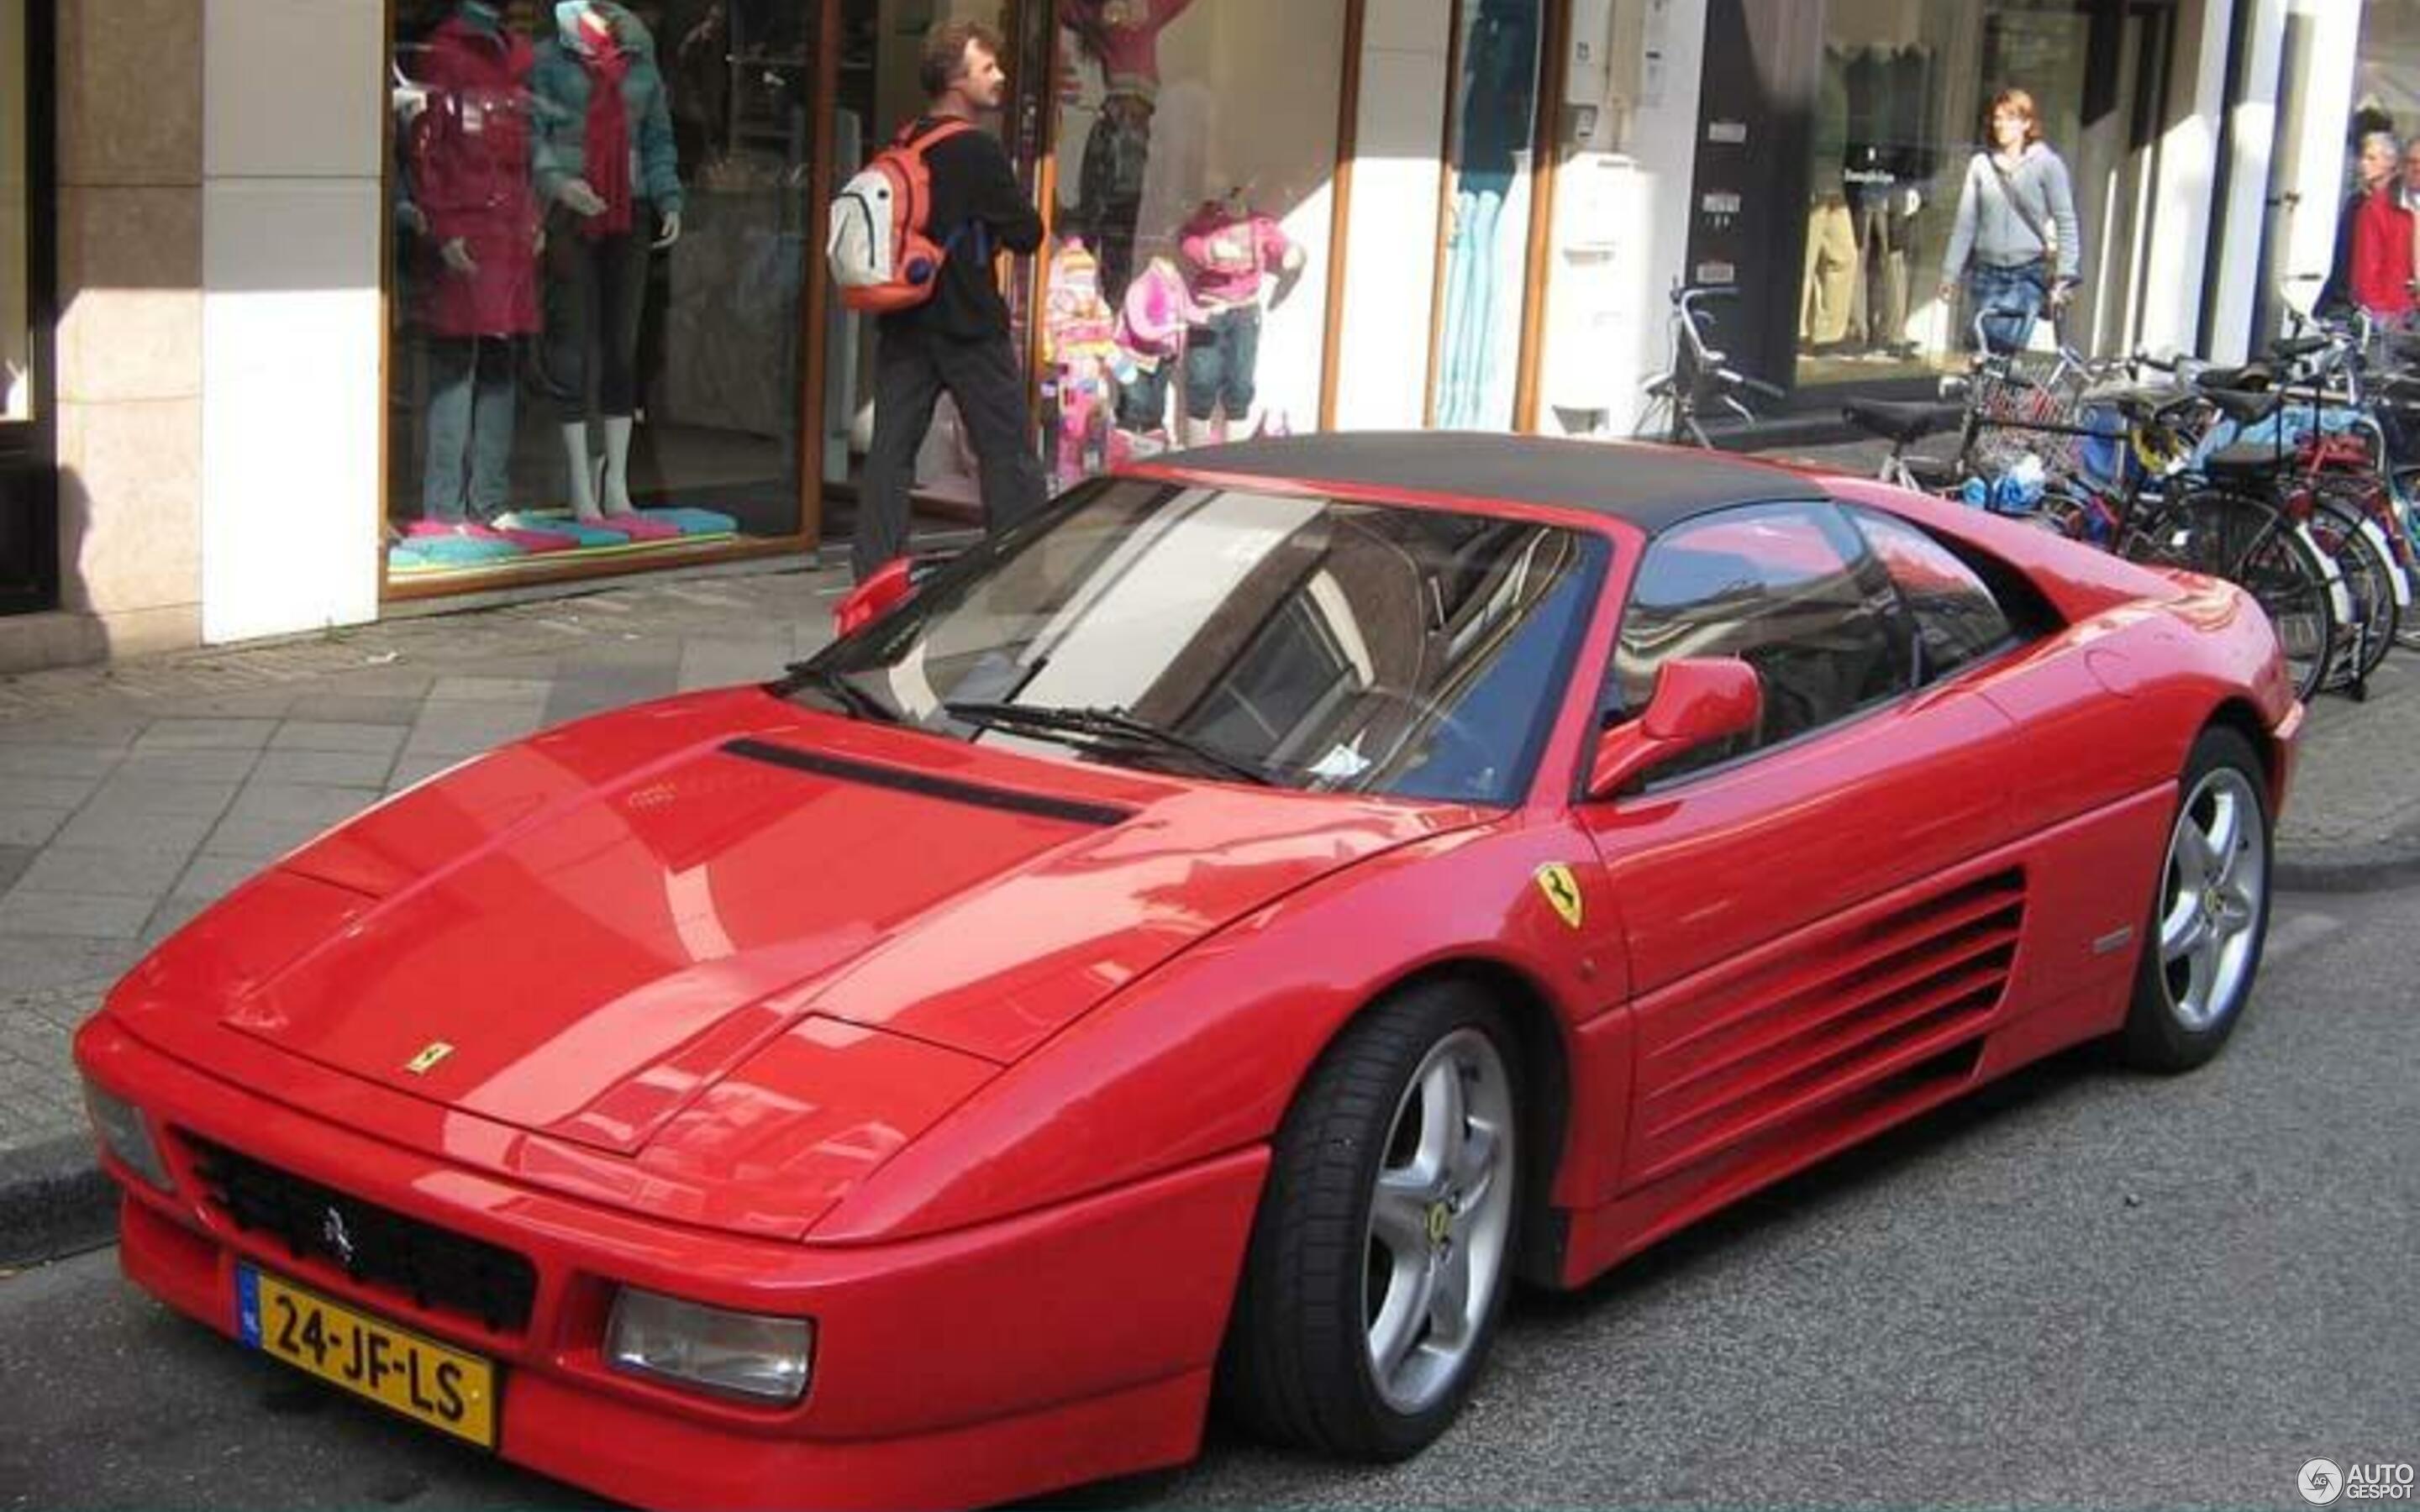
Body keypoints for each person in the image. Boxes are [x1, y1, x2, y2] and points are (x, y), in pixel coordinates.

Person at [854, 20, 1047, 582]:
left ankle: (875, 576)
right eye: (988, 68)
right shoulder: (977, 151)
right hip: (968, 324)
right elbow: (1028, 233)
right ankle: (1018, 573)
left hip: (905, 319)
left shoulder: (904, 138)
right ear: (957, 80)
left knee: (891, 454)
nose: (1001, 77)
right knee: (1006, 452)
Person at [1938, 88, 2081, 354]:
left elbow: (2066, 221)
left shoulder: (2048, 165)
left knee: (2004, 351)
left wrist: (2065, 275)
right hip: (1986, 271)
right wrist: (1950, 272)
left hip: (2025, 272)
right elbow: (1965, 223)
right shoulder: (1981, 164)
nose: (2001, 125)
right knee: (1981, 352)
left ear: (2027, 123)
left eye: (2010, 118)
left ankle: (2002, 396)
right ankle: (1989, 397)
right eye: (1997, 118)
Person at [2318, 129, 2403, 321]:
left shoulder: (2401, 205)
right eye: (2364, 158)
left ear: (2391, 162)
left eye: (2372, 158)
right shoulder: (2357, 202)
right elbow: (2343, 256)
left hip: (2384, 305)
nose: (2363, 164)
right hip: (2347, 299)